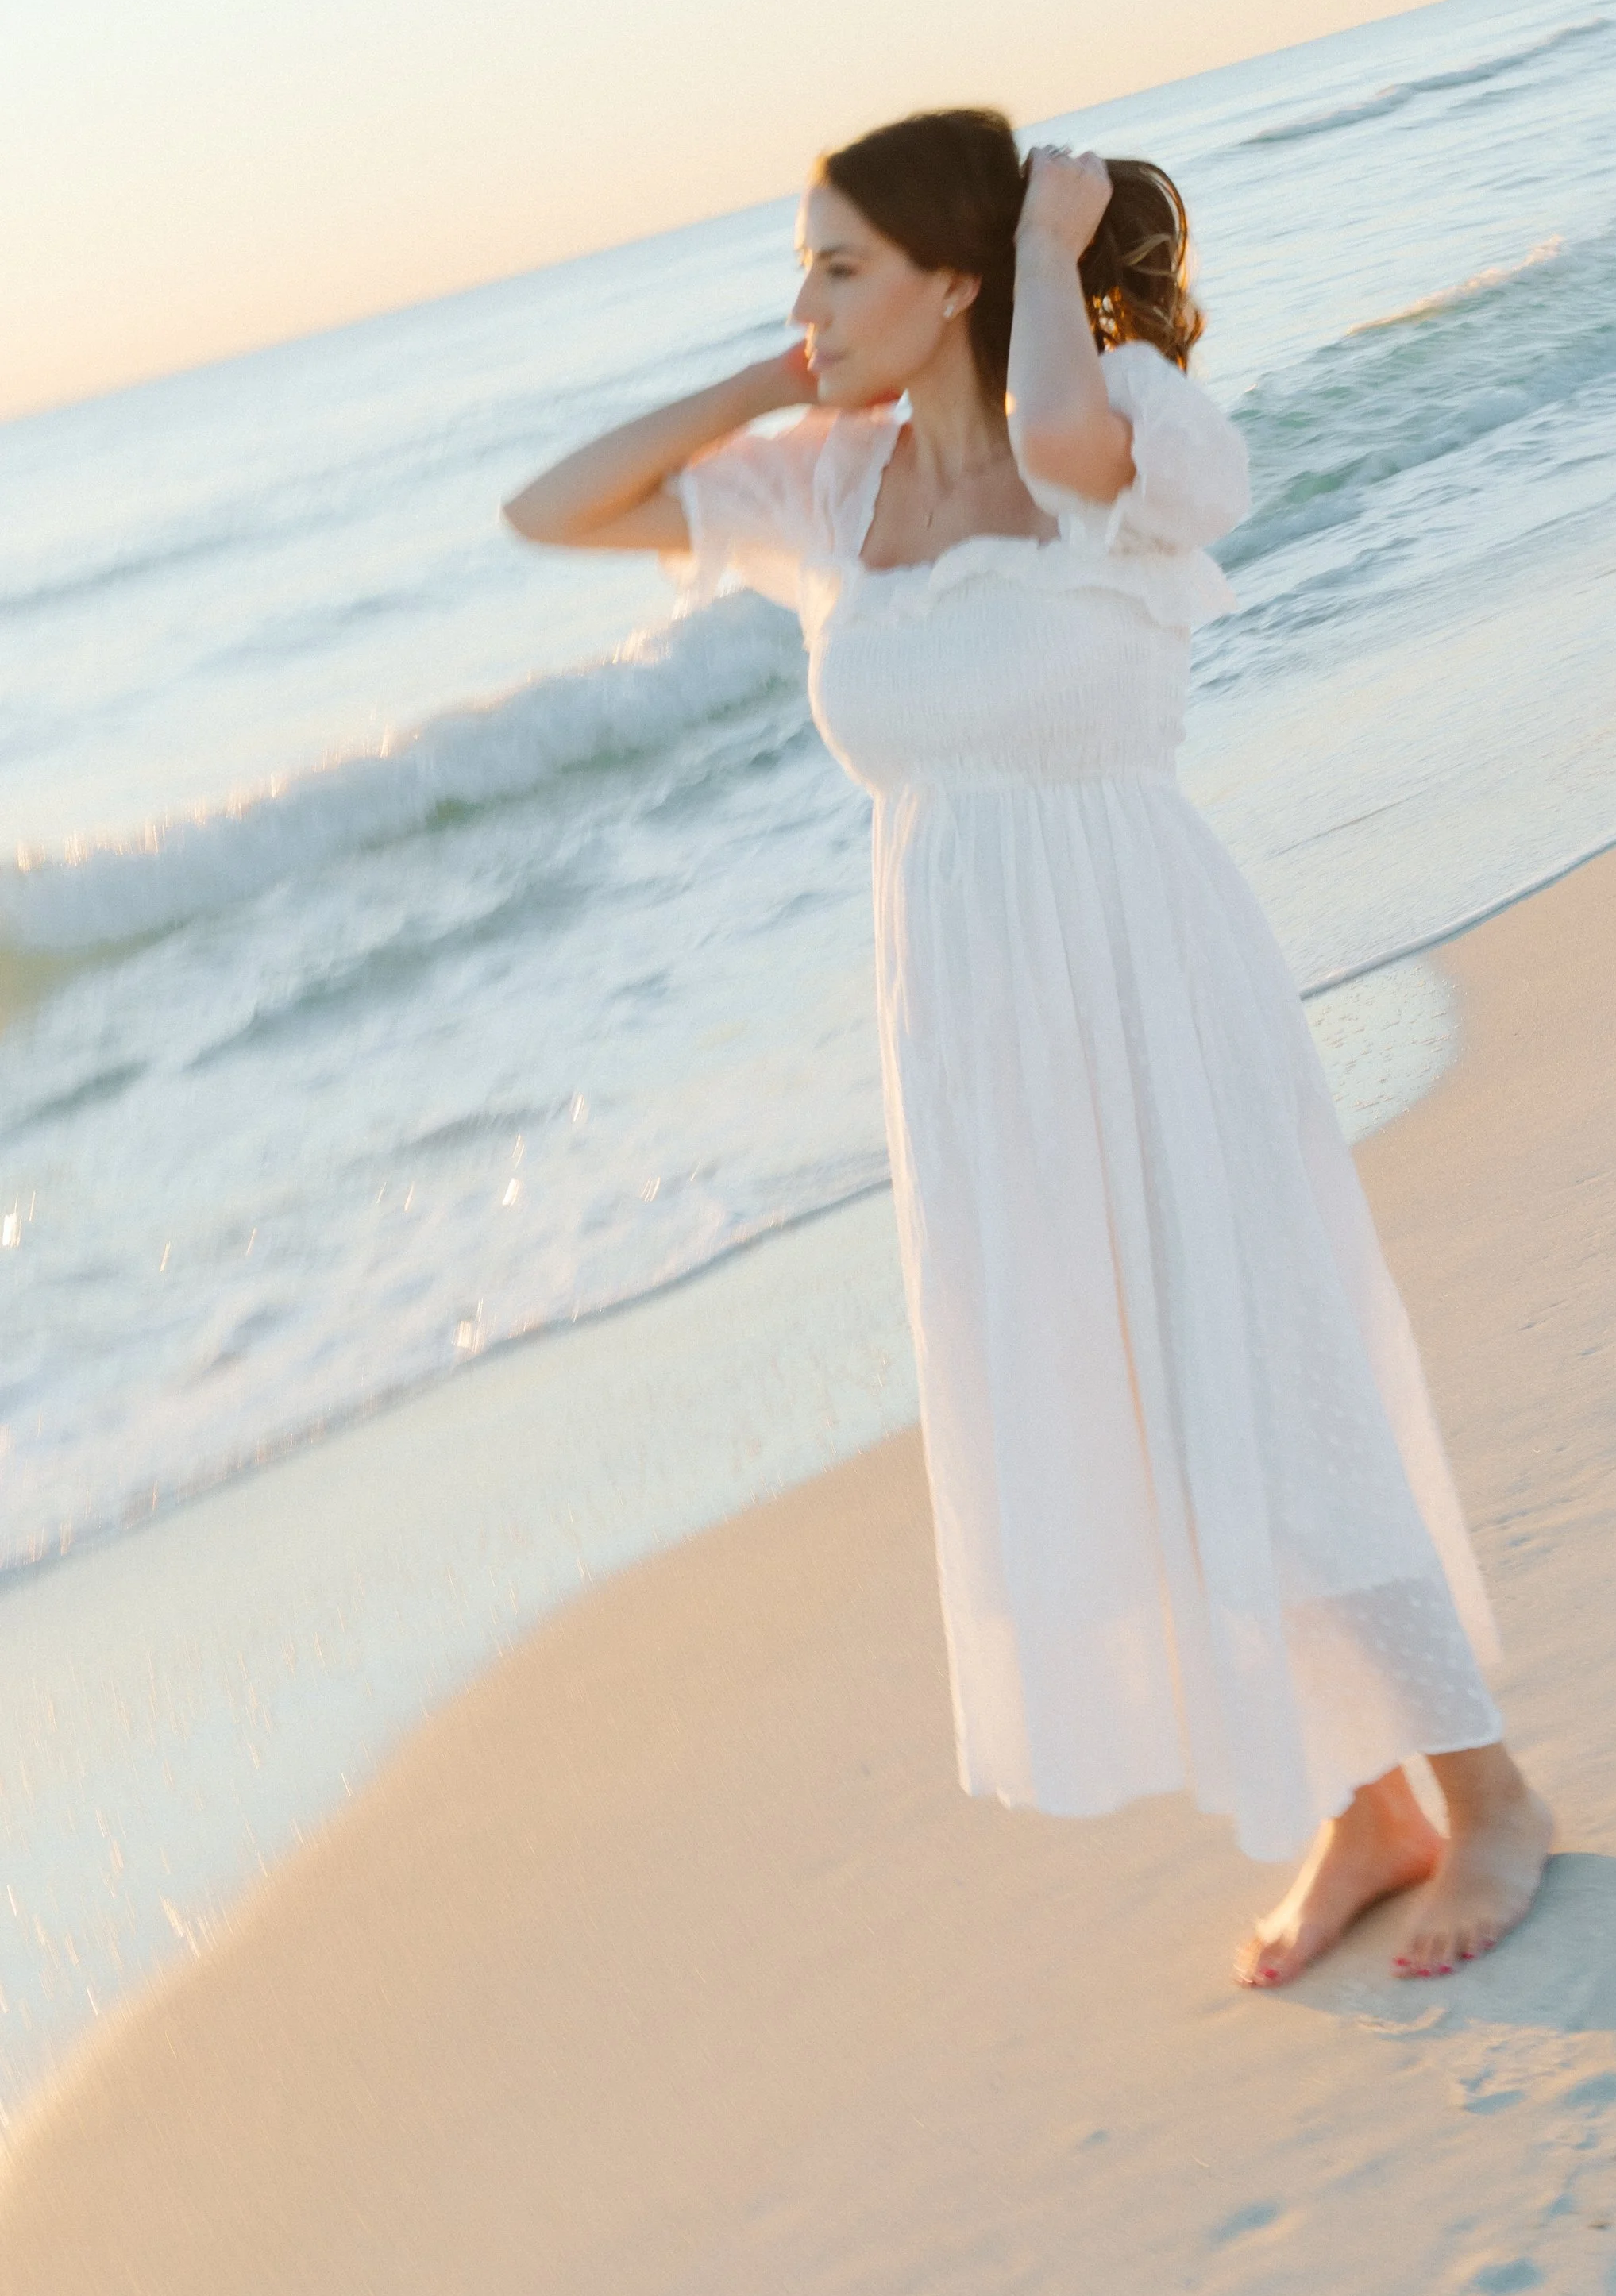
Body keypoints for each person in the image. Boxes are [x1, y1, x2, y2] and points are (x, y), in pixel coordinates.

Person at [503, 106, 1553, 1982]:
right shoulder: (830, 490)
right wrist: (788, 365)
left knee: (1268, 1363)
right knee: (1136, 1401)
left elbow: (1061, 438)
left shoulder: (1124, 425)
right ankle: (1355, 1804)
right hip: (969, 1022)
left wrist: (1056, 270)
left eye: (839, 267)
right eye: (801, 272)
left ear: (959, 280)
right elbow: (552, 508)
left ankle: (1481, 1797)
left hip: (1146, 973)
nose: (809, 302)